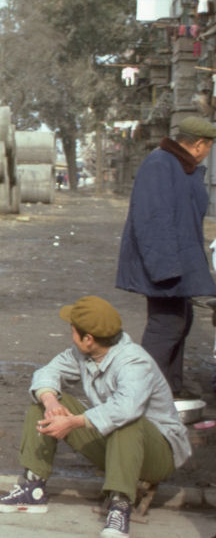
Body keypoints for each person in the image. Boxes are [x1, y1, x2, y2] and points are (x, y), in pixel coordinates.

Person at [0, 296, 190, 538]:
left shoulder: (134, 361)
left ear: (88, 339)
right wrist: (50, 402)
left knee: (126, 422)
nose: (71, 334)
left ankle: (120, 505)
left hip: (157, 454)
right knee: (41, 404)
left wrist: (71, 422)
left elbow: (125, 409)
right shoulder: (84, 353)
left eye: (72, 330)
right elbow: (48, 372)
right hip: (116, 446)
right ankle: (33, 490)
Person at [115, 115, 216, 398]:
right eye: (209, 147)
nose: (208, 152)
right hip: (165, 265)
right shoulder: (160, 164)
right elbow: (153, 220)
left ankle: (169, 389)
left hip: (177, 263)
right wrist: (165, 270)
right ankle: (143, 394)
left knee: (181, 321)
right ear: (198, 144)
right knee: (166, 325)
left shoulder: (179, 165)